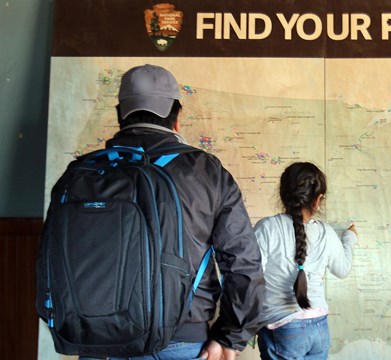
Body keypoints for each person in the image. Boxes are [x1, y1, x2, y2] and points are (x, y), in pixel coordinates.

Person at [82, 64, 265, 360]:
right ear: (177, 117)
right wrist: (229, 337)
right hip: (183, 342)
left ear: (119, 114)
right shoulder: (209, 173)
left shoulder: (86, 173)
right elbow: (243, 264)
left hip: (100, 342)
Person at [253, 162, 358, 360]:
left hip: (282, 328)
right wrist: (349, 239)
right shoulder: (326, 232)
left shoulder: (267, 228)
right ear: (318, 200)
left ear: (283, 194)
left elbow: (251, 278)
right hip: (319, 326)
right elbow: (342, 269)